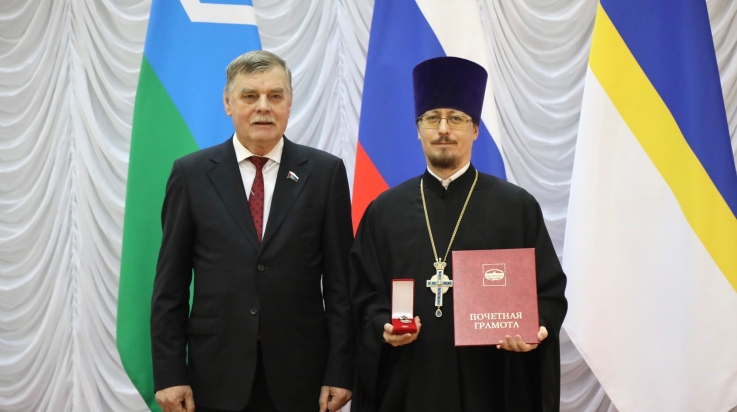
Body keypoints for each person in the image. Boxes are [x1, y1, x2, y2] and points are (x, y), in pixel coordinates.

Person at [349, 56, 568, 412]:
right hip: (410, 383)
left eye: (456, 118)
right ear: (418, 129)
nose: (443, 129)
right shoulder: (384, 211)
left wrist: (536, 326)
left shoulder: (516, 207)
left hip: (491, 382)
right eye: (432, 118)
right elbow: (363, 292)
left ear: (475, 129)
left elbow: (548, 291)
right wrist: (381, 325)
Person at [151, 50, 355, 412]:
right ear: (228, 103)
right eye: (250, 96)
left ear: (289, 103)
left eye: (275, 96)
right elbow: (170, 285)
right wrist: (169, 373)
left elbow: (342, 285)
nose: (264, 107)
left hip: (301, 374)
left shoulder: (325, 174)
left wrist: (340, 370)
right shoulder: (192, 175)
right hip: (215, 373)